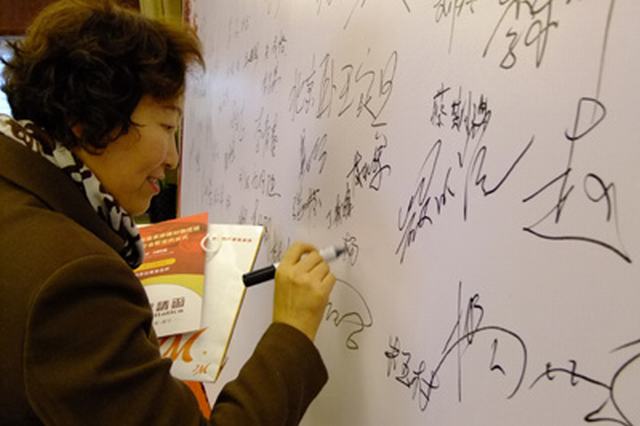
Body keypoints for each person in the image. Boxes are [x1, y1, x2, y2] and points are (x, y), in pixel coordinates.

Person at [0, 1, 336, 425]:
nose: (175, 158)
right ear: (90, 122)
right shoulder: (75, 278)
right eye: (166, 126)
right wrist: (293, 329)